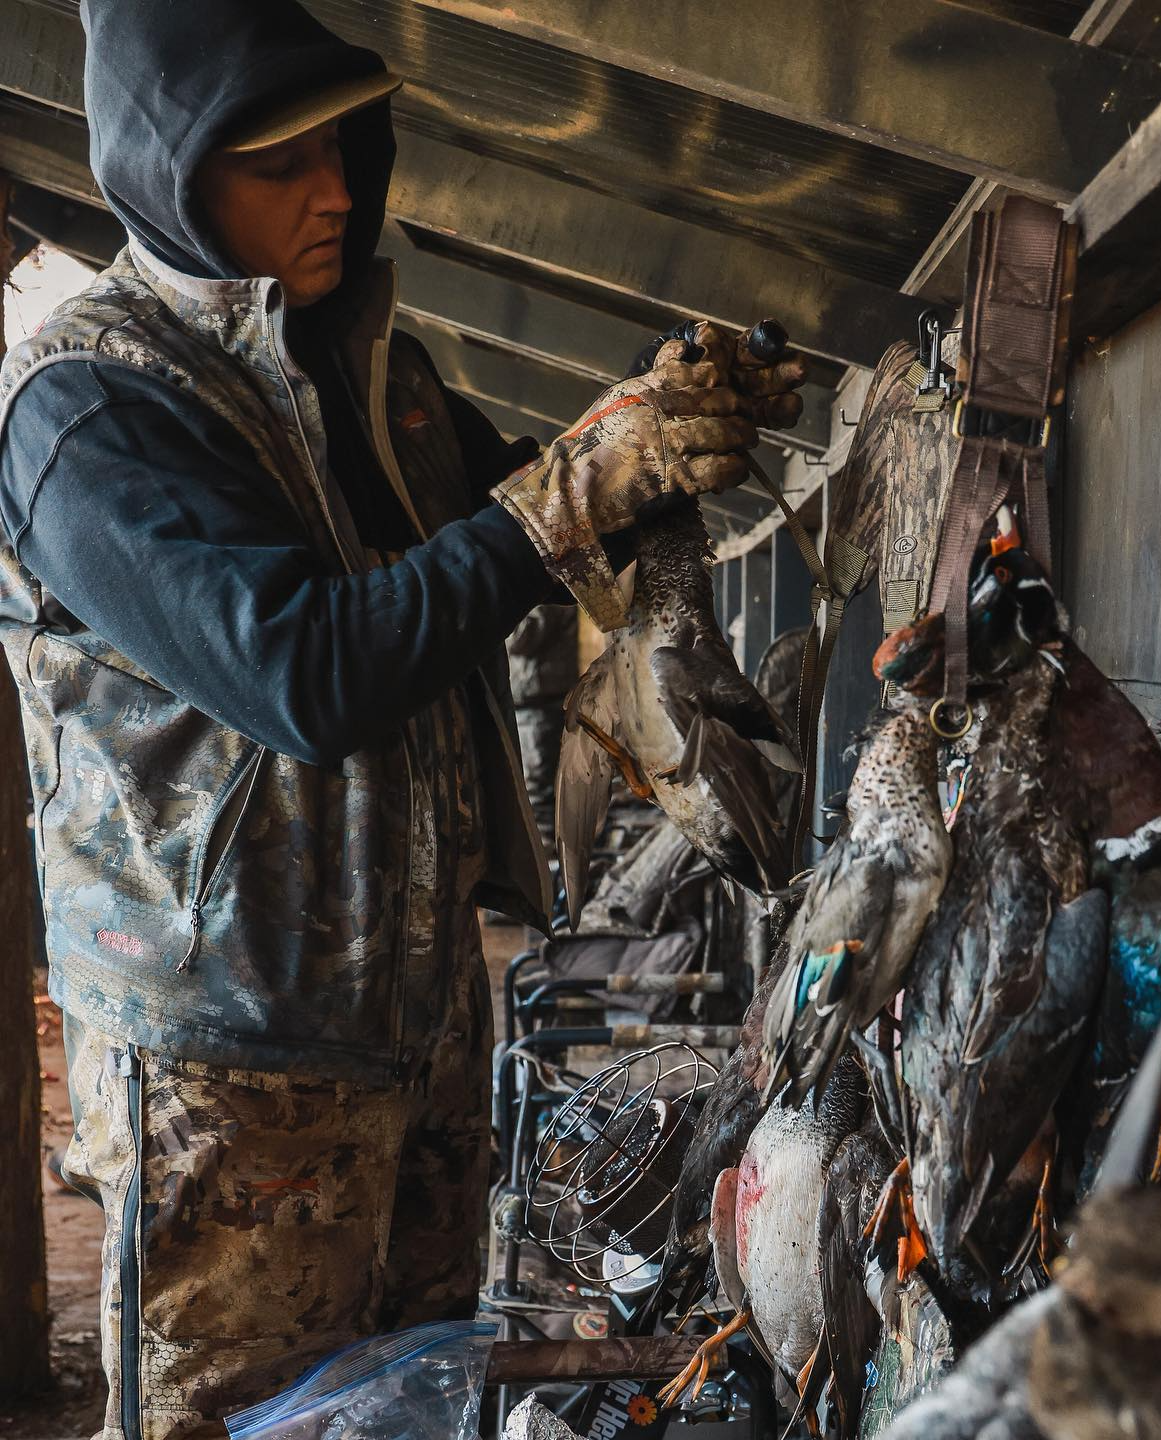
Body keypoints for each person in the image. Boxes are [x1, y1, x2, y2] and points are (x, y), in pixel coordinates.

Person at [0, 2, 805, 1437]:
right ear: (166, 176)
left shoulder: (378, 373)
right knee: (242, 1419)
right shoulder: (90, 409)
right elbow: (306, 672)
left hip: (420, 1023)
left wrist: (658, 440)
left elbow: (512, 540)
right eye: (271, 166)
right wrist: (570, 489)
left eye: (341, 150)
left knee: (405, 1406)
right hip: (231, 1074)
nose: (332, 193)